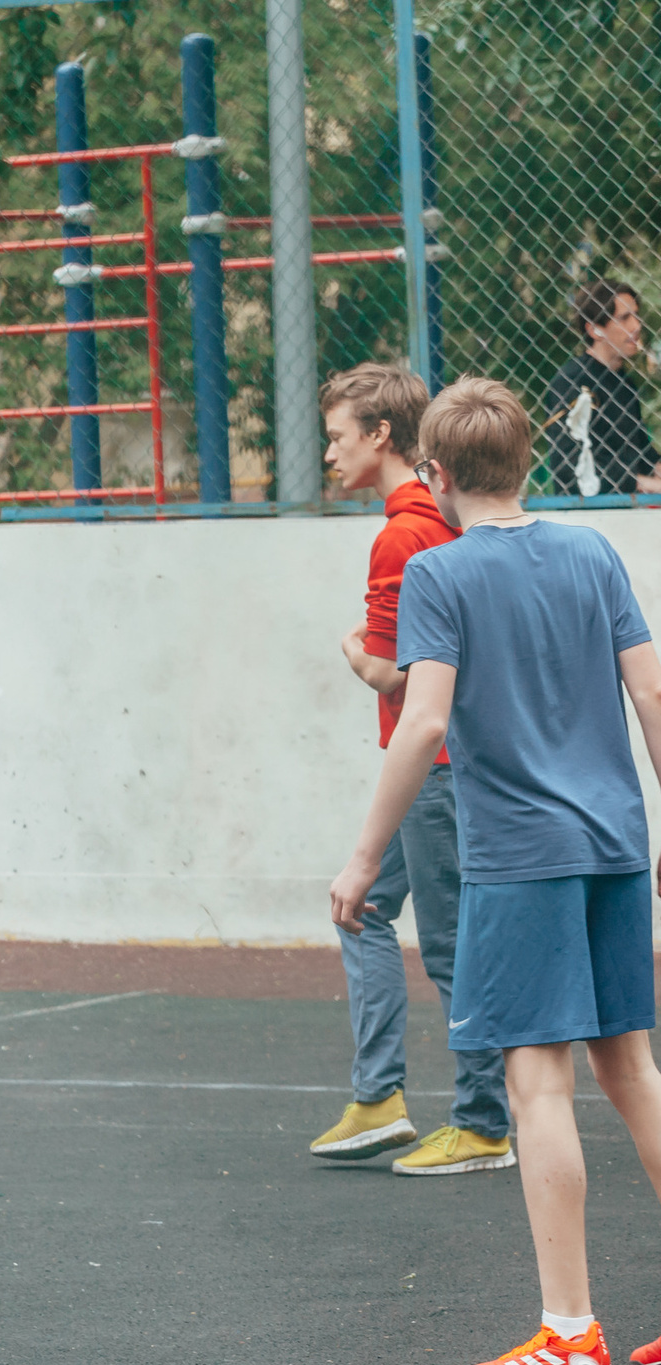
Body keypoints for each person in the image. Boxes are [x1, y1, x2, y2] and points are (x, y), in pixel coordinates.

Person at [330, 377, 661, 1365]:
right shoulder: (592, 551)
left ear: (434, 473)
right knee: (633, 1071)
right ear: (527, 463)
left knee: (537, 1084)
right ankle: (573, 1331)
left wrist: (362, 857)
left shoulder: (441, 571)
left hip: (521, 857)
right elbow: (651, 688)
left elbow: (424, 719)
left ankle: (569, 1334)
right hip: (615, 846)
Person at [313, 363, 513, 1175]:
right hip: (441, 764)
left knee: (452, 945)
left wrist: (354, 652)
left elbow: (399, 671)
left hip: (434, 767)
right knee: (359, 907)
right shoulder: (448, 516)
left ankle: (483, 1122)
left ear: (381, 434)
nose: (330, 453)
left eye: (338, 436)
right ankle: (379, 1097)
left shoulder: (401, 533)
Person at [541, 279, 660, 499]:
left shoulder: (626, 384)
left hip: (629, 506)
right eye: (624, 318)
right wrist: (640, 482)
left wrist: (655, 467)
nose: (636, 326)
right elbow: (569, 466)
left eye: (636, 315)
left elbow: (640, 450)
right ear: (595, 329)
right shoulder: (570, 382)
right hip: (587, 509)